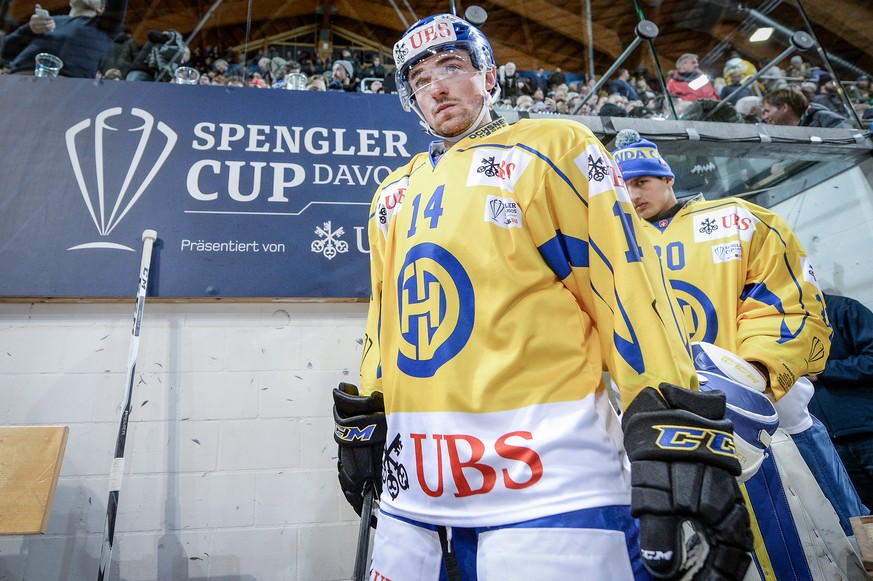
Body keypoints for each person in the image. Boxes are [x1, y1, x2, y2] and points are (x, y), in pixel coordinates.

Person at [332, 13, 753, 581]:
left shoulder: (553, 147)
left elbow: (626, 290)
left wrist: (667, 420)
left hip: (549, 490)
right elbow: (386, 317)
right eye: (420, 77)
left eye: (453, 66)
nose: (437, 86)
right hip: (418, 497)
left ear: (489, 77)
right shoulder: (391, 193)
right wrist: (369, 408)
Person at [614, 129, 868, 576]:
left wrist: (754, 377)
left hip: (768, 416)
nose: (633, 195)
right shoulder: (611, 249)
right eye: (622, 186)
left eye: (641, 182)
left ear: (667, 178)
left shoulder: (739, 219)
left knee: (823, 543)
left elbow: (788, 303)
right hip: (668, 424)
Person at [810, 292, 873, 510]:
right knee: (862, 517)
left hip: (867, 430)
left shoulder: (844, 309)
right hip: (829, 444)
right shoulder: (780, 329)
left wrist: (824, 372)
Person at [2, 0, 128, 78]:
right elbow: (5, 50)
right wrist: (29, 29)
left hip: (66, 84)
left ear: (101, 8)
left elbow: (118, 3)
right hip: (19, 76)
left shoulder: (105, 27)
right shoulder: (47, 21)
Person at [762, 87, 851, 128]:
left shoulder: (824, 118)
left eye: (767, 111)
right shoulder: (785, 131)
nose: (765, 117)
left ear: (784, 107)